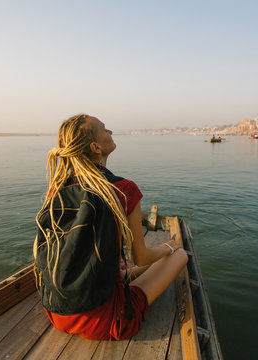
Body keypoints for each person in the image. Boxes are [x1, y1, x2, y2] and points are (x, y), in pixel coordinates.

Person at [33, 114, 188, 341]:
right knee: (180, 255)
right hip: (106, 320)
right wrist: (167, 248)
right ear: (96, 147)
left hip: (57, 314)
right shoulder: (124, 189)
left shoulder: (57, 189)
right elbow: (142, 258)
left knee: (126, 270)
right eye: (105, 130)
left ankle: (126, 275)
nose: (111, 132)